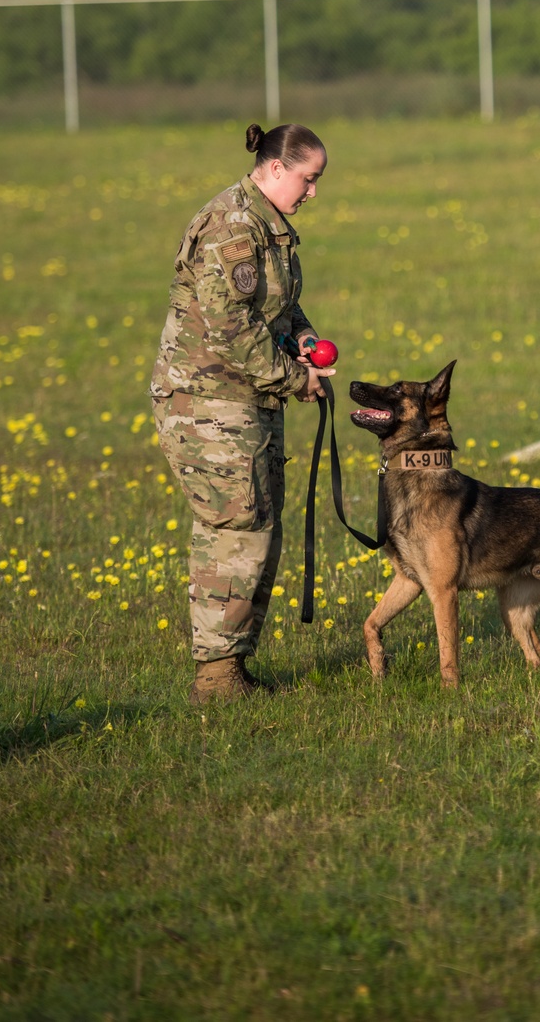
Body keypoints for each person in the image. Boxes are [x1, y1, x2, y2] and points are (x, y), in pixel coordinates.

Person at [151, 121, 334, 704]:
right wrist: (295, 379)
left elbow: (278, 305)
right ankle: (216, 678)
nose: (313, 193)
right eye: (308, 179)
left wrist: (302, 339)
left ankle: (232, 666)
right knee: (236, 529)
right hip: (206, 404)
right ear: (276, 168)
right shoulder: (232, 226)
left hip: (245, 398)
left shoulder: (268, 225)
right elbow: (230, 328)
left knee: (260, 526)